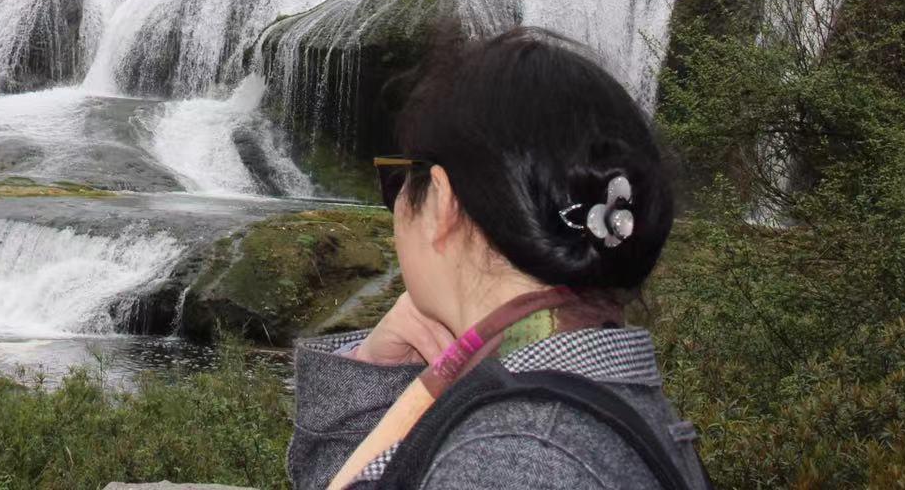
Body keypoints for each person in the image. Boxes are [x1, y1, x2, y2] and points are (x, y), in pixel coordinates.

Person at [288, 27, 709, 489]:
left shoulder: (521, 454)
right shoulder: (577, 397)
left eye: (397, 183)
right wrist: (375, 370)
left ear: (443, 203)